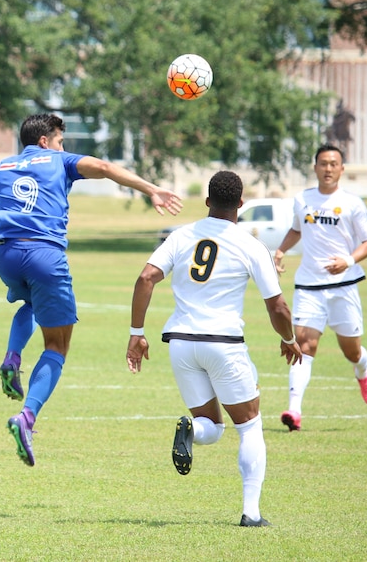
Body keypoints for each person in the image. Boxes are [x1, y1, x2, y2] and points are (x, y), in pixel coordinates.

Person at [0, 113, 183, 466]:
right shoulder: (57, 160)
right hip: (44, 255)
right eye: (61, 140)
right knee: (58, 345)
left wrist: (8, 187)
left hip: (7, 255)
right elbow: (104, 167)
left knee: (31, 304)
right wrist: (152, 189)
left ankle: (12, 357)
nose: (63, 147)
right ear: (45, 142)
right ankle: (27, 418)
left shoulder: (3, 166)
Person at [128, 170, 302, 527]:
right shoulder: (251, 245)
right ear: (240, 204)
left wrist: (136, 333)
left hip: (181, 345)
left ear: (207, 202)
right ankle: (251, 514)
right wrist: (288, 340)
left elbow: (146, 277)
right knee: (250, 426)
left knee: (211, 425)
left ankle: (191, 429)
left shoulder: (182, 235)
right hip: (223, 345)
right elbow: (279, 307)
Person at [274, 144, 367, 432]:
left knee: (351, 351)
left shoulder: (353, 203)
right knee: (304, 345)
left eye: (334, 164)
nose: (328, 169)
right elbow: (298, 229)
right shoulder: (302, 200)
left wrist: (348, 260)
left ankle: (362, 370)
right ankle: (294, 410)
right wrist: (281, 251)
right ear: (315, 167)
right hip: (309, 285)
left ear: (342, 169)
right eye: (323, 163)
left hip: (344, 287)